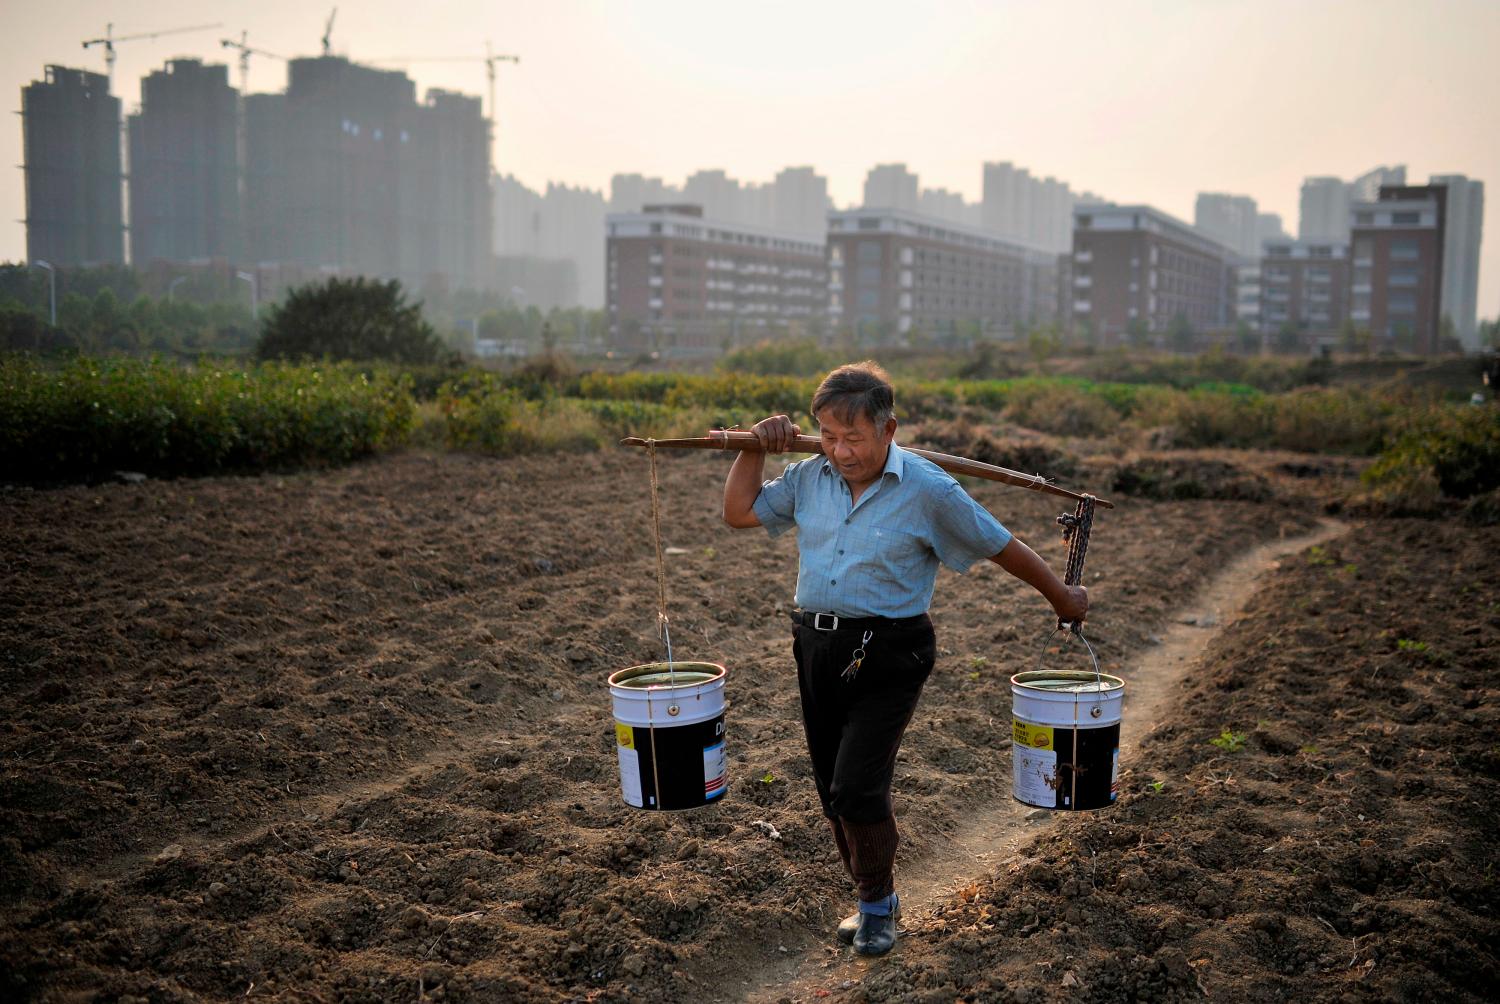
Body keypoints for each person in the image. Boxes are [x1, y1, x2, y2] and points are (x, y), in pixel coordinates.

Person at [722, 361, 1088, 957]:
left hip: (892, 651)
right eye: (830, 436)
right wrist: (753, 449)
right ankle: (875, 894)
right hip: (816, 645)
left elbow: (1002, 546)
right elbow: (739, 512)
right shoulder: (808, 476)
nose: (841, 452)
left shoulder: (928, 489)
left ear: (889, 430)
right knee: (832, 791)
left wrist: (1062, 596)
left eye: (855, 438)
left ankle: (873, 907)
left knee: (856, 787)